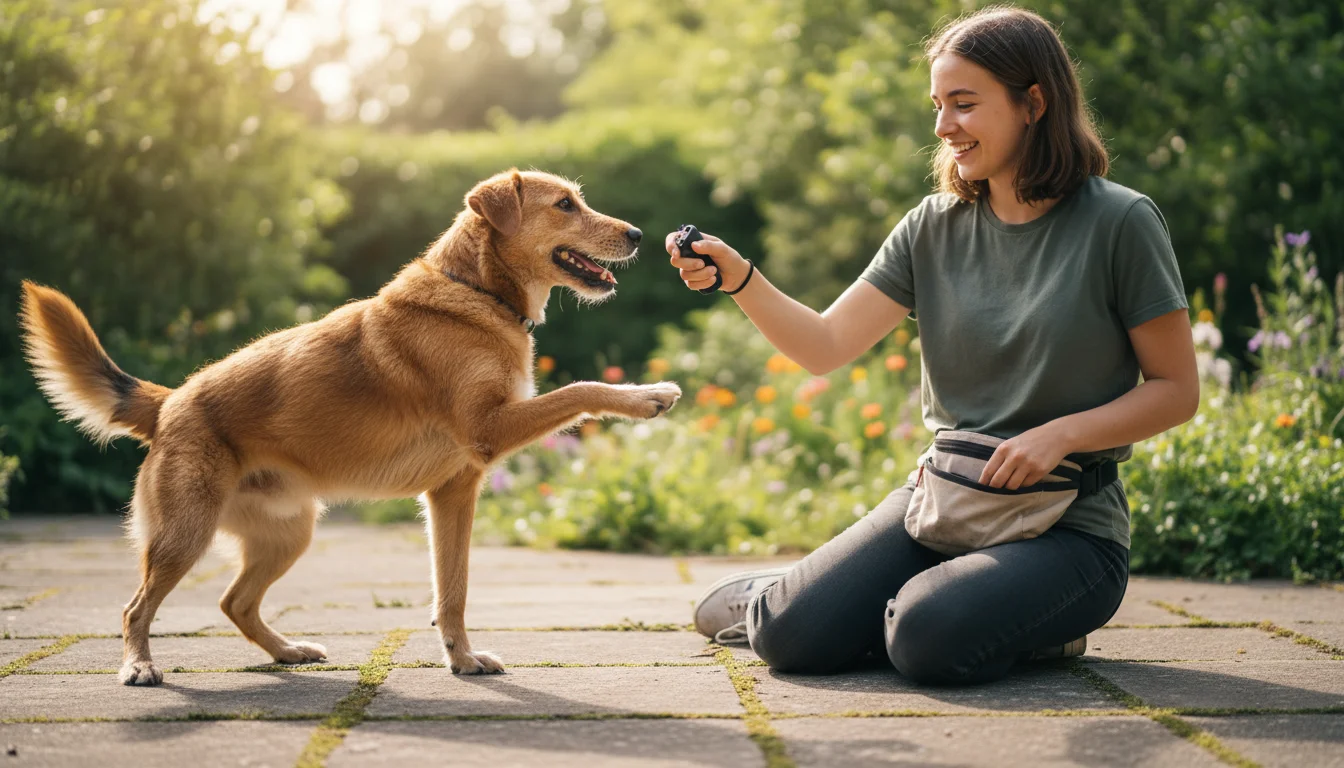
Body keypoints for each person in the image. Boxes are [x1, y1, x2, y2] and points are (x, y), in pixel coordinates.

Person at [666, 5, 1199, 685]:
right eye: (939, 104)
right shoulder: (933, 226)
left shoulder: (1121, 221)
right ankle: (805, 593)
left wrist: (1060, 436)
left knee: (924, 637)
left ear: (1033, 102)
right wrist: (739, 277)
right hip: (945, 503)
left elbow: (1176, 390)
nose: (944, 126)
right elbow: (826, 344)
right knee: (791, 640)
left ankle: (1007, 620)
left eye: (965, 103)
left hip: (1069, 529)